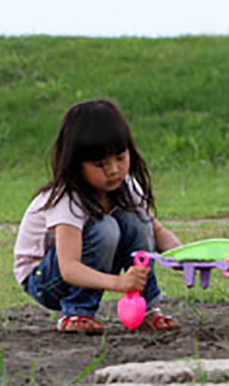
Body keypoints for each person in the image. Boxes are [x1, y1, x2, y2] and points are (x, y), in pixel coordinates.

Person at [13, 99, 183, 333]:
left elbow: (157, 231)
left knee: (138, 221)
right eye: (100, 163)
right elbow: (69, 268)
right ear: (76, 164)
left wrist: (184, 256)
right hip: (45, 279)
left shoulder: (126, 186)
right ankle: (77, 312)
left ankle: (146, 310)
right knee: (105, 228)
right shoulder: (67, 199)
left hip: (90, 264)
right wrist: (118, 283)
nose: (113, 170)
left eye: (120, 158)